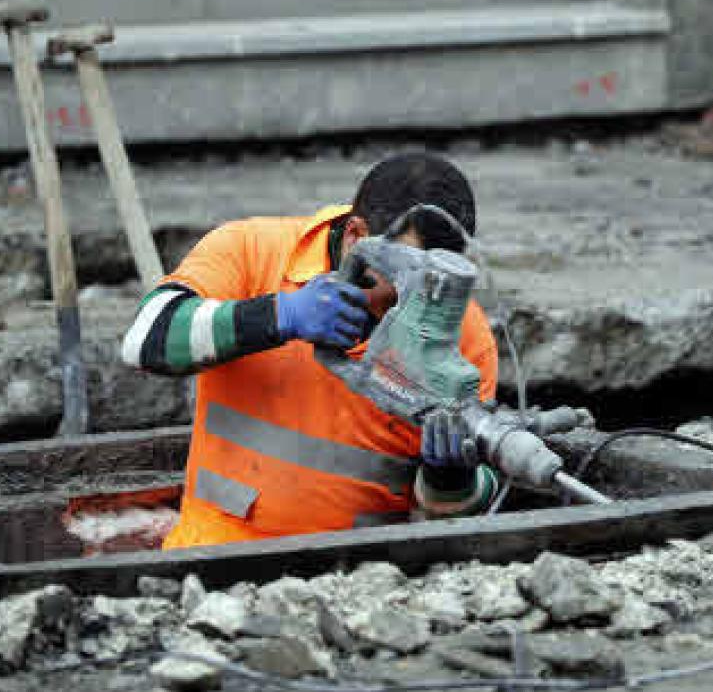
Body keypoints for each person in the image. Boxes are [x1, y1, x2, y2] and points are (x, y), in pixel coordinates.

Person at [121, 152, 500, 549]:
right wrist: (277, 315)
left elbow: (451, 527)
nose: (414, 305)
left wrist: (451, 480)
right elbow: (145, 340)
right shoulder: (254, 251)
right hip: (216, 556)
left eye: (433, 288)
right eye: (402, 282)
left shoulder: (463, 336)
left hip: (366, 579)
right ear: (356, 237)